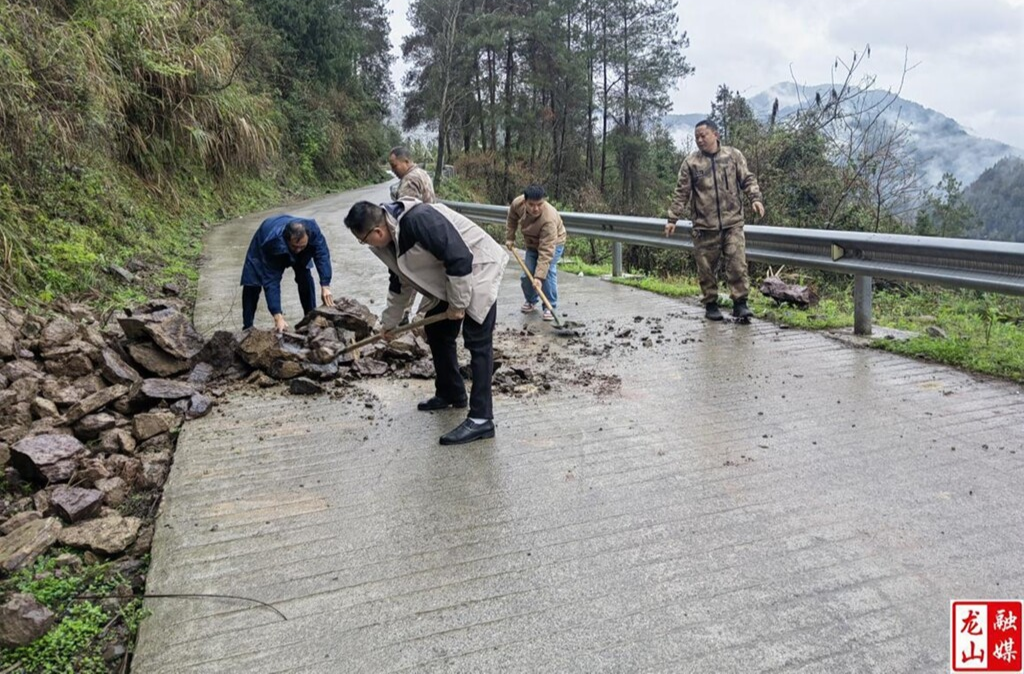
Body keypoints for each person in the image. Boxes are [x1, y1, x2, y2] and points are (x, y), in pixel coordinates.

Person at [344, 197, 508, 445]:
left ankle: (481, 419)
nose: (364, 244)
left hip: (477, 267)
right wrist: (389, 324)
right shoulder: (389, 242)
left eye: (363, 240)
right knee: (437, 329)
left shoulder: (419, 220)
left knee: (478, 341)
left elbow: (460, 257)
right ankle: (451, 392)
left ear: (377, 230)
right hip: (451, 277)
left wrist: (458, 304)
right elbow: (400, 284)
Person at [664, 119, 765, 321]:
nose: (700, 140)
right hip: (704, 225)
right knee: (706, 269)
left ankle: (740, 304)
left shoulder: (733, 156)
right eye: (697, 137)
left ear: (715, 135)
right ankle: (711, 304)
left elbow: (747, 179)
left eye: (704, 136)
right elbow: (681, 192)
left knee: (737, 264)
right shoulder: (691, 163)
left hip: (732, 222)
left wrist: (755, 198)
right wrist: (672, 218)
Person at [240, 215, 334, 332]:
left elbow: (322, 255)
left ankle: (310, 317)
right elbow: (271, 281)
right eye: (295, 246)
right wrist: (277, 315)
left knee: (304, 275)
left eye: (302, 246)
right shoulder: (272, 244)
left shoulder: (313, 231)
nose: (298, 250)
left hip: (296, 241)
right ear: (287, 240)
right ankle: (247, 327)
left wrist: (325, 284)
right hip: (264, 238)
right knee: (252, 282)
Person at [505, 185, 567, 320]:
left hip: (553, 244)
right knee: (527, 275)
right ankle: (531, 300)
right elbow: (512, 218)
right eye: (531, 205)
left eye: (539, 204)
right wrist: (510, 237)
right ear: (525, 201)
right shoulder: (517, 204)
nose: (536, 208)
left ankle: (550, 306)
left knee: (547, 273)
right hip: (532, 244)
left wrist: (539, 277)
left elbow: (546, 253)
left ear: (544, 201)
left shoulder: (548, 220)